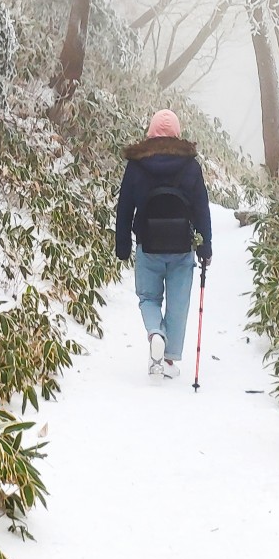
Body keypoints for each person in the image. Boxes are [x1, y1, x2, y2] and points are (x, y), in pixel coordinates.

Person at [114, 110, 212, 379]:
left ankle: (155, 332)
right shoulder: (190, 165)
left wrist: (122, 245)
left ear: (150, 132)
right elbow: (202, 207)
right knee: (178, 303)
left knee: (148, 298)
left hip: (148, 244)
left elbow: (125, 207)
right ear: (177, 134)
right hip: (182, 246)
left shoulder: (137, 164)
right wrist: (206, 246)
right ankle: (168, 361)